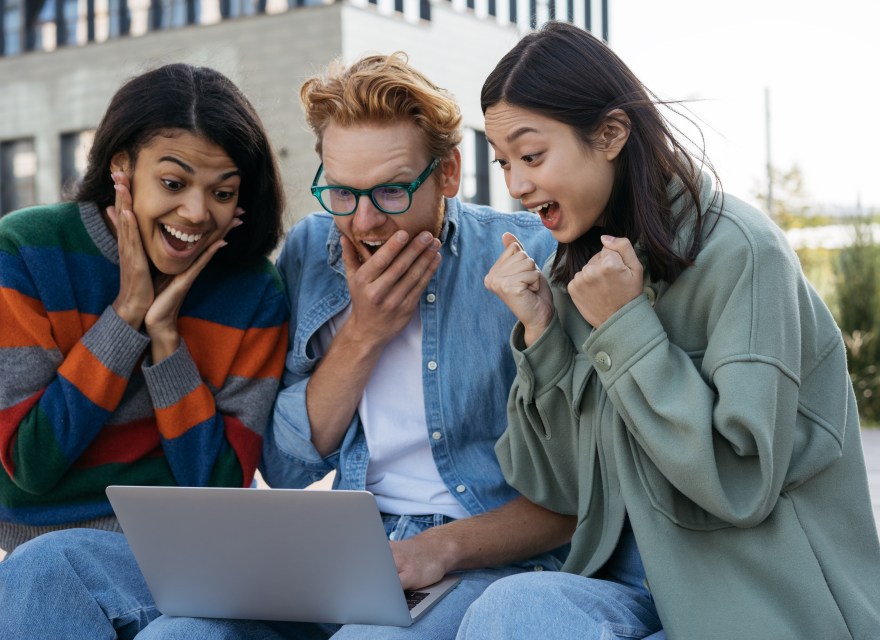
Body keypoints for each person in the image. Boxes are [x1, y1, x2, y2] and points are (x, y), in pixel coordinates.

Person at [454, 20, 880, 640]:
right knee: (509, 611)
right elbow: (560, 494)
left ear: (610, 134)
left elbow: (741, 484)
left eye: (532, 155)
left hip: (752, 600)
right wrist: (542, 332)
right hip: (629, 590)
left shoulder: (742, 251)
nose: (516, 185)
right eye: (503, 162)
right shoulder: (578, 272)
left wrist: (627, 329)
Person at [135, 53, 576, 640]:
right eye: (342, 192)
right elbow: (286, 469)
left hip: (480, 560)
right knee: (177, 634)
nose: (364, 222)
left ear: (448, 173)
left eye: (392, 191)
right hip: (347, 552)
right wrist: (363, 335)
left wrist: (439, 548)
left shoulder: (532, 260)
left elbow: (574, 497)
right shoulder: (310, 253)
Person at [0, 63, 288, 638]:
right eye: (174, 183)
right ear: (121, 168)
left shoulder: (253, 291)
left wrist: (166, 344)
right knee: (43, 573)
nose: (196, 213)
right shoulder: (28, 249)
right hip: (48, 544)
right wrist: (126, 316)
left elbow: (218, 493)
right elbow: (33, 463)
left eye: (223, 192)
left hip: (190, 557)